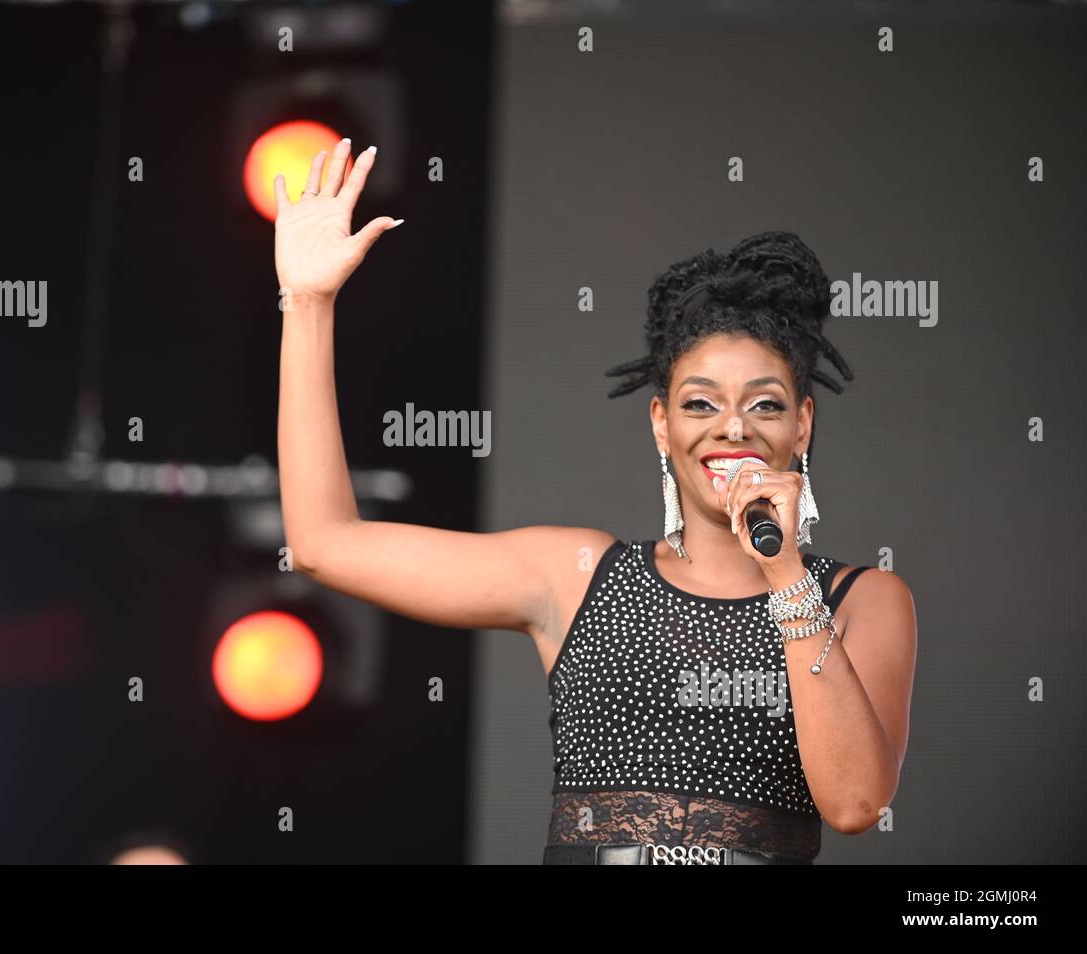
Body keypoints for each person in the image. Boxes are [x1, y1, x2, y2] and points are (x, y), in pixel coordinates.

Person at [272, 137, 917, 865]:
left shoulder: (863, 599)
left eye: (764, 406)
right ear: (661, 423)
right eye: (700, 403)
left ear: (802, 423)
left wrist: (785, 575)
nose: (732, 426)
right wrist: (307, 302)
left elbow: (857, 802)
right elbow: (324, 542)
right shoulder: (577, 576)